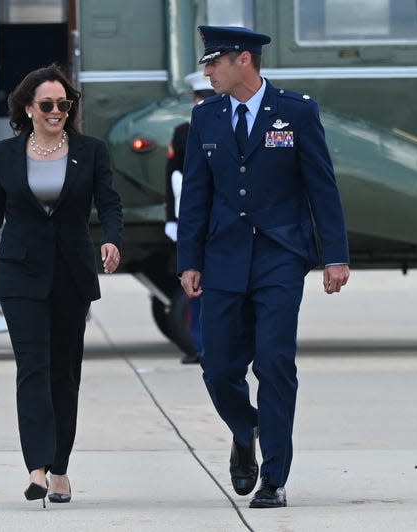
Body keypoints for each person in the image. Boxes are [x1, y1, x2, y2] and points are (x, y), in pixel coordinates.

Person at [177, 26, 350, 508]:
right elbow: (195, 195)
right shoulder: (206, 117)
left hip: (280, 255)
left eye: (215, 62)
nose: (207, 71)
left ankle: (274, 477)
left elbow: (322, 186)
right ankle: (244, 427)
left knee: (274, 363)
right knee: (216, 367)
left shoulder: (295, 112)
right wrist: (188, 259)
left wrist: (334, 254)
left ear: (244, 61)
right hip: (223, 257)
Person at [0, 64, 123, 507]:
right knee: (32, 368)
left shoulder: (90, 151)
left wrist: (111, 239)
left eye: (63, 104)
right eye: (47, 104)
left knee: (64, 374)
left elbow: (109, 202)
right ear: (28, 108)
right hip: (19, 274)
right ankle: (36, 467)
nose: (56, 111)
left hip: (71, 275)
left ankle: (59, 470)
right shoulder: (6, 153)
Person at [165, 70, 215, 365]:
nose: (201, 104)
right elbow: (171, 176)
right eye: (199, 99)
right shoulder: (184, 133)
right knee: (194, 283)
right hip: (193, 220)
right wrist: (172, 218)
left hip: (222, 220)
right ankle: (199, 345)